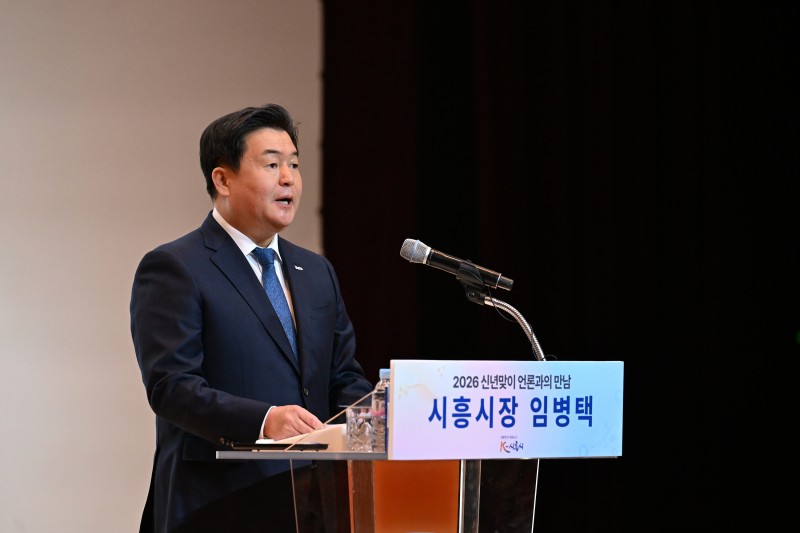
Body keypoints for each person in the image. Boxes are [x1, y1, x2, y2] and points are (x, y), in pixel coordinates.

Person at [130, 103, 373, 532]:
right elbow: (172, 388)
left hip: (314, 504)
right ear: (222, 180)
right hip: (217, 505)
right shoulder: (176, 267)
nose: (288, 178)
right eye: (272, 164)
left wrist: (373, 419)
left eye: (294, 164)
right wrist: (264, 420)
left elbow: (343, 376)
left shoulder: (316, 271)